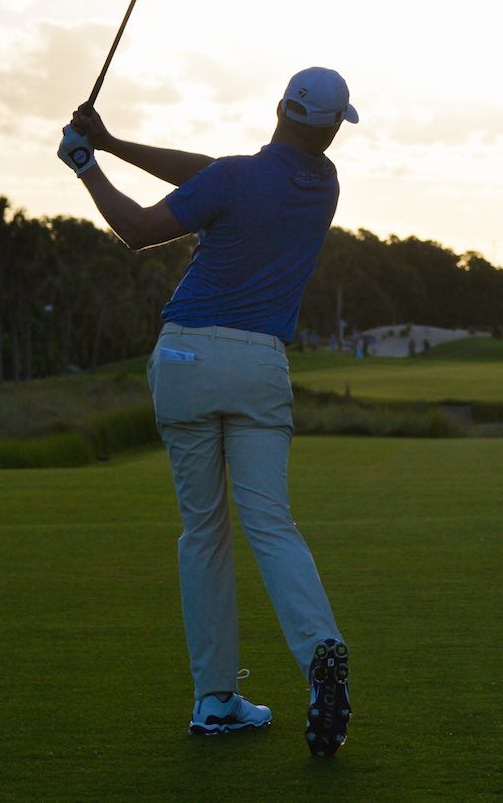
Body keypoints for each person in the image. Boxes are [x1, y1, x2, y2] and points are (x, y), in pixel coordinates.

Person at [56, 66, 355, 758]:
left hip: (187, 359)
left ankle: (216, 699)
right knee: (271, 524)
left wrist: (85, 163)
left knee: (204, 532)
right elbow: (213, 174)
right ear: (332, 127)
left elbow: (137, 228)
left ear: (280, 109)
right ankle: (321, 651)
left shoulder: (233, 180)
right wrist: (116, 141)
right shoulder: (323, 183)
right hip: (258, 366)